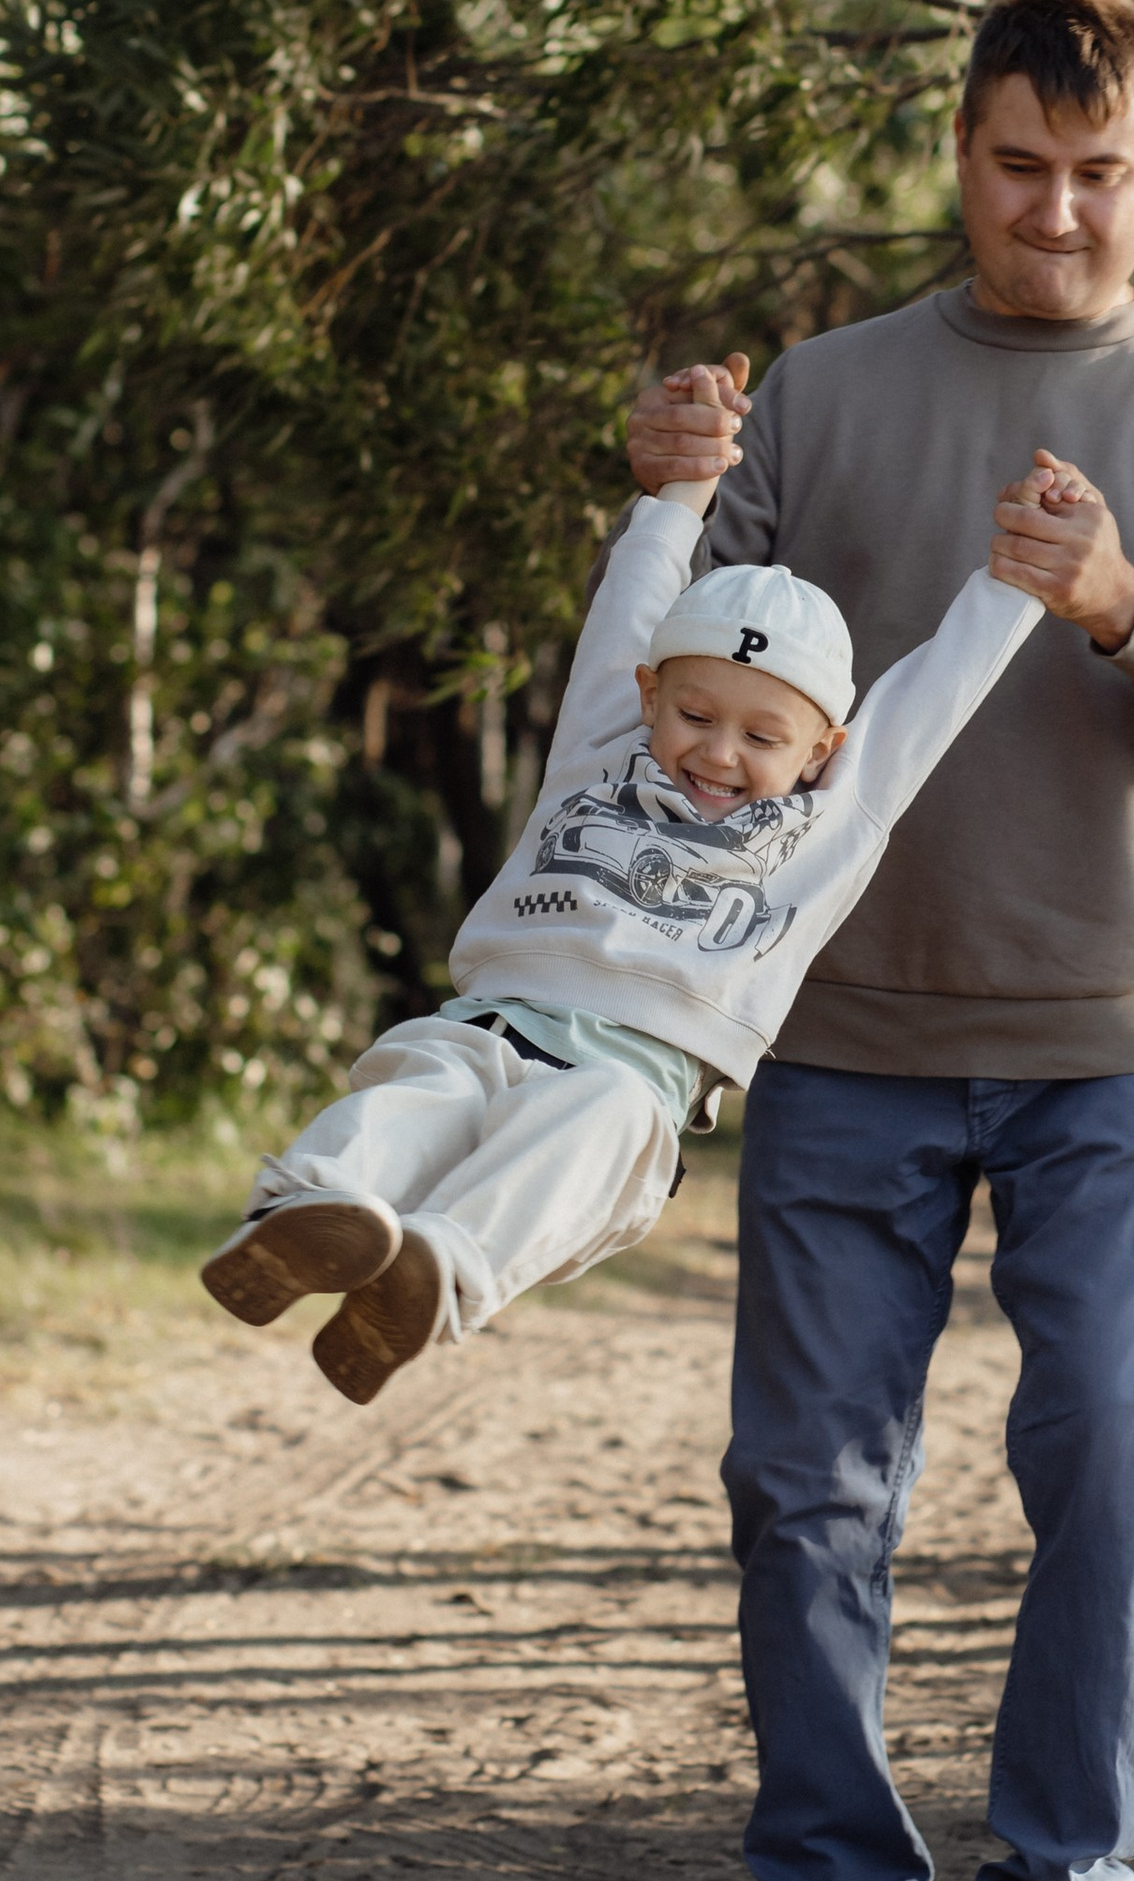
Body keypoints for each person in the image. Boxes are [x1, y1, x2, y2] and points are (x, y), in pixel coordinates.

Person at [629, 0, 1134, 1881]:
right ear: (959, 154)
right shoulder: (833, 401)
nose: (1053, 214)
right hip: (840, 1022)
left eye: (1097, 176)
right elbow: (673, 701)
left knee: (1108, 1468)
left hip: (1117, 1038)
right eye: (1018, 169)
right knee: (804, 1490)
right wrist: (670, 496)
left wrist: (1130, 607)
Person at [198, 368, 1074, 1405]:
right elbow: (633, 600)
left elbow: (939, 690)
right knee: (421, 1089)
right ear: (651, 695)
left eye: (761, 736)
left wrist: (1018, 579)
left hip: (633, 1081)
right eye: (695, 715)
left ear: (819, 750)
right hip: (492, 1021)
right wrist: (679, 496)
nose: (715, 753)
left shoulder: (829, 820)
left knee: (593, 1117)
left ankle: (434, 1275)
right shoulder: (602, 746)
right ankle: (299, 1220)